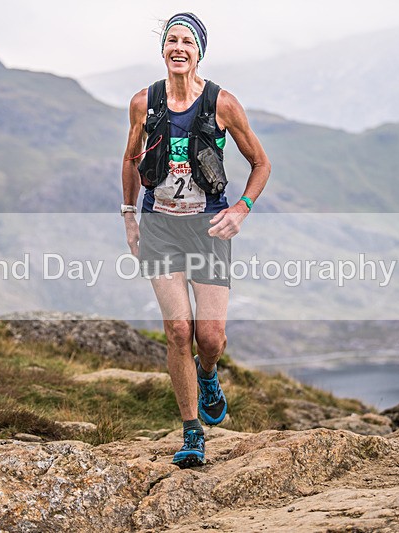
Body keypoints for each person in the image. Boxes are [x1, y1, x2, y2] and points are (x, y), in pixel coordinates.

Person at [120, 12, 270, 468]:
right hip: (161, 224)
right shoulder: (143, 102)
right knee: (178, 330)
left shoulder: (222, 103)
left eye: (187, 41)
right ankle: (192, 432)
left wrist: (241, 207)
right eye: (172, 40)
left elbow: (260, 163)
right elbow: (130, 159)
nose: (178, 48)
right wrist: (130, 216)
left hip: (208, 226)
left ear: (199, 51)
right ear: (163, 49)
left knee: (210, 336)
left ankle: (208, 374)